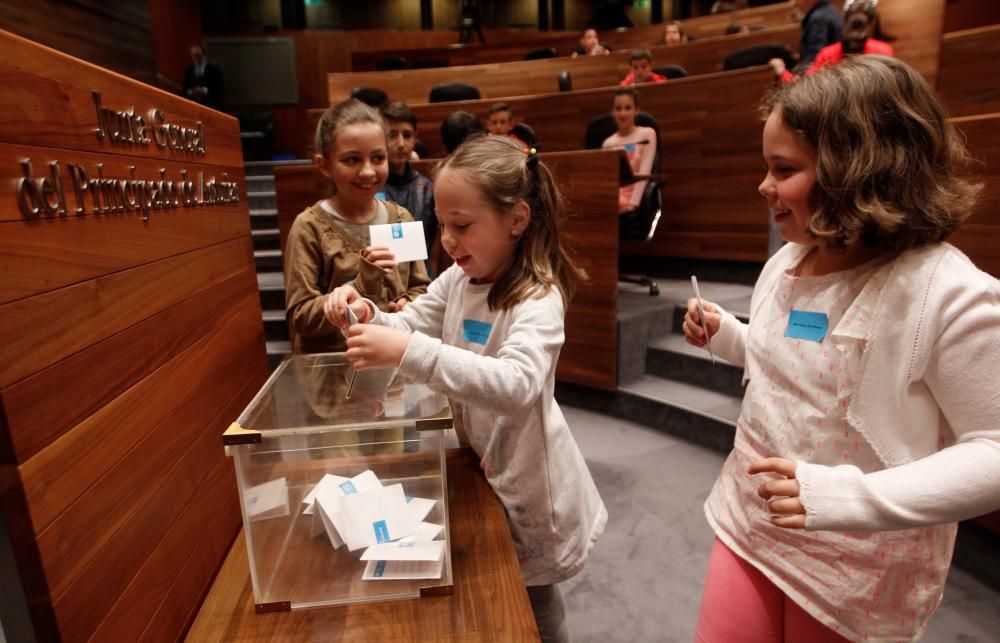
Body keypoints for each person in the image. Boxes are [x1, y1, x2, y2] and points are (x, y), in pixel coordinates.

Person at [685, 56, 999, 642]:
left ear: (860, 171)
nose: (764, 186)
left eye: (783, 169)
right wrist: (730, 335)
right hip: (752, 524)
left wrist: (849, 496)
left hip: (856, 567)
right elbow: (798, 369)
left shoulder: (950, 293)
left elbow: (995, 449)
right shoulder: (787, 261)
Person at [325, 136, 607, 643]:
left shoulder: (538, 297)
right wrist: (366, 313)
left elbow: (515, 385)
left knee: (538, 604)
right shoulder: (456, 281)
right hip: (483, 467)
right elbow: (409, 323)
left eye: (463, 226)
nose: (449, 241)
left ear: (516, 220)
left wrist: (407, 351)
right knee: (501, 594)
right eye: (443, 224)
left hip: (531, 486)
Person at [284, 99, 430, 355]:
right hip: (336, 374)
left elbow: (421, 287)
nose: (367, 171)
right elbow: (301, 316)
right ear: (324, 165)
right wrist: (360, 287)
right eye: (352, 160)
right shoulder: (309, 227)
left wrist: (409, 303)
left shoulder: (401, 218)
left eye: (378, 158)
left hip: (392, 365)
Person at [771, 2, 892, 82]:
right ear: (873, 23)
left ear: (844, 21)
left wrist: (782, 73)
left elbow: (805, 86)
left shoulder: (828, 54)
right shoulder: (883, 51)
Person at [381, 101, 437, 260]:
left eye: (407, 135)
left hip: (422, 278)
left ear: (415, 138)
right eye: (392, 135)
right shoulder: (368, 188)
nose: (400, 144)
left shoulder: (428, 189)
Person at [602, 87, 656, 213]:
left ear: (636, 110)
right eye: (618, 108)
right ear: (612, 112)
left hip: (635, 198)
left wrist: (633, 204)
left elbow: (644, 173)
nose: (623, 113)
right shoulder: (608, 143)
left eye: (628, 108)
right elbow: (608, 179)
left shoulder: (647, 134)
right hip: (612, 197)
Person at [182, 44, 224, 109]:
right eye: (194, 55)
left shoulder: (213, 68)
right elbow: (185, 88)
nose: (196, 58)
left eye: (198, 55)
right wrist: (191, 91)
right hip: (193, 104)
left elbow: (220, 88)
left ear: (204, 54)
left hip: (211, 104)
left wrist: (204, 90)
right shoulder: (189, 69)